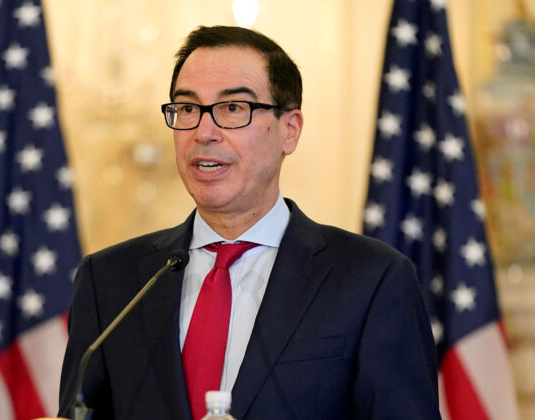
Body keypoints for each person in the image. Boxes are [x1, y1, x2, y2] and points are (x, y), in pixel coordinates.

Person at [58, 25, 440, 420]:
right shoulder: (110, 281)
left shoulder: (371, 279)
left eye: (233, 109)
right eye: (188, 108)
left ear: (289, 131)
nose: (204, 132)